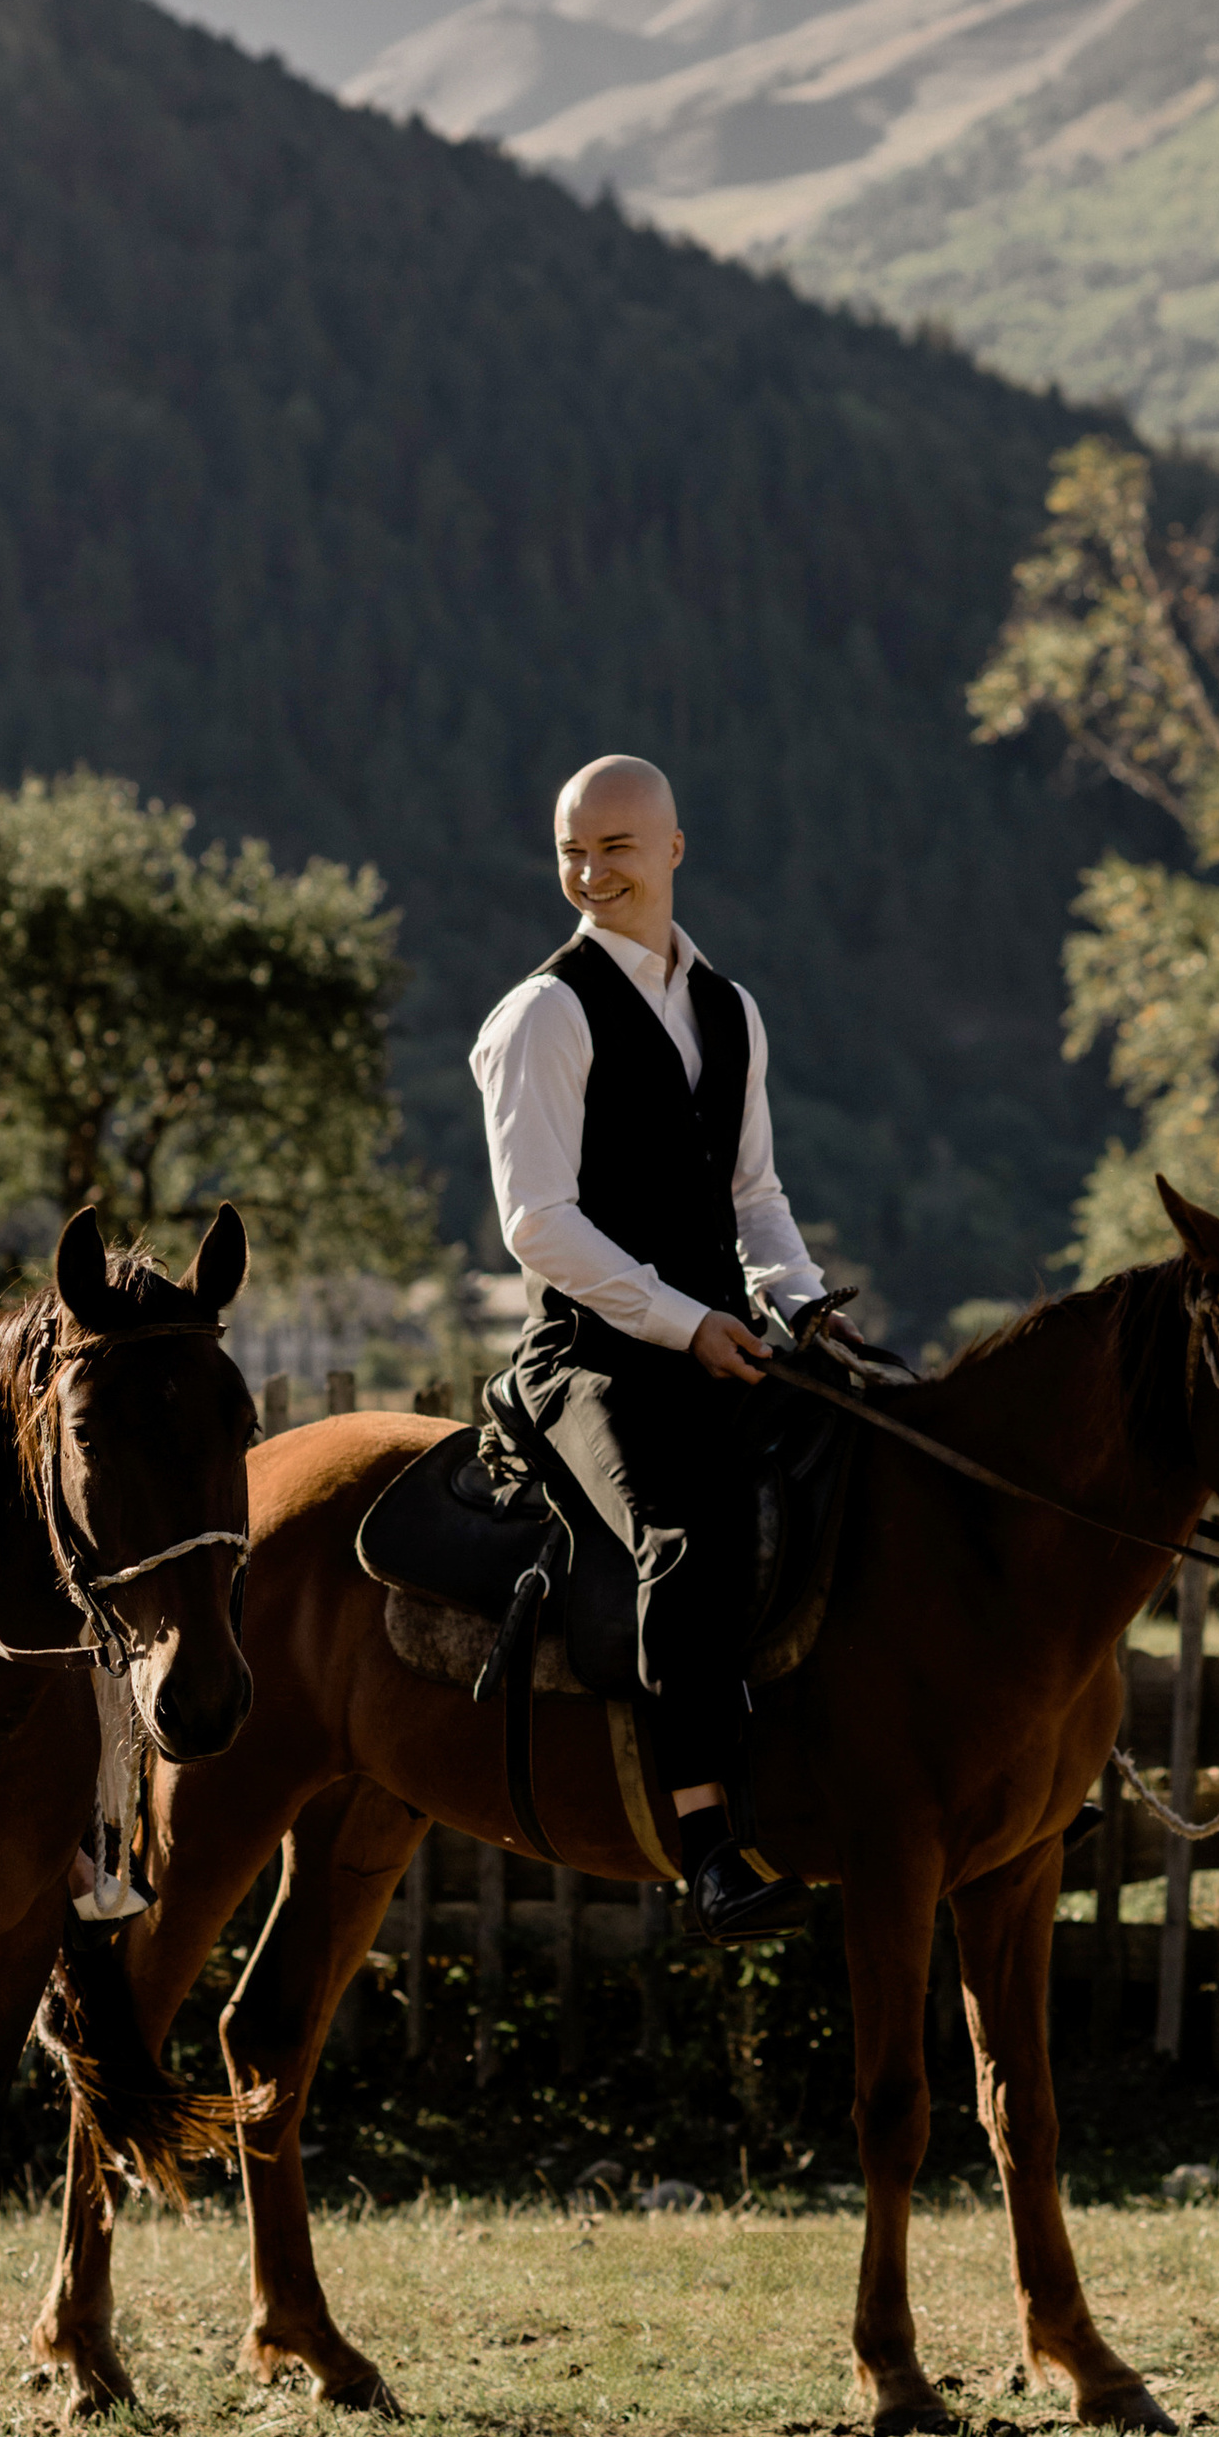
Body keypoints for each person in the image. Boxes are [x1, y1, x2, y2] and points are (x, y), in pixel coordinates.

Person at [471, 754, 872, 1945]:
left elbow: (755, 1198)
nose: (589, 872)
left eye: (615, 848)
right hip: (589, 1358)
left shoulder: (729, 1009)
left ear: (674, 850)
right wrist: (682, 1321)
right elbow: (535, 1224)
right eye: (570, 851)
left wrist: (799, 1305)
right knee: (685, 1543)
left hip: (725, 1338)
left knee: (868, 1480)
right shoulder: (541, 1013)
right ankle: (706, 1842)